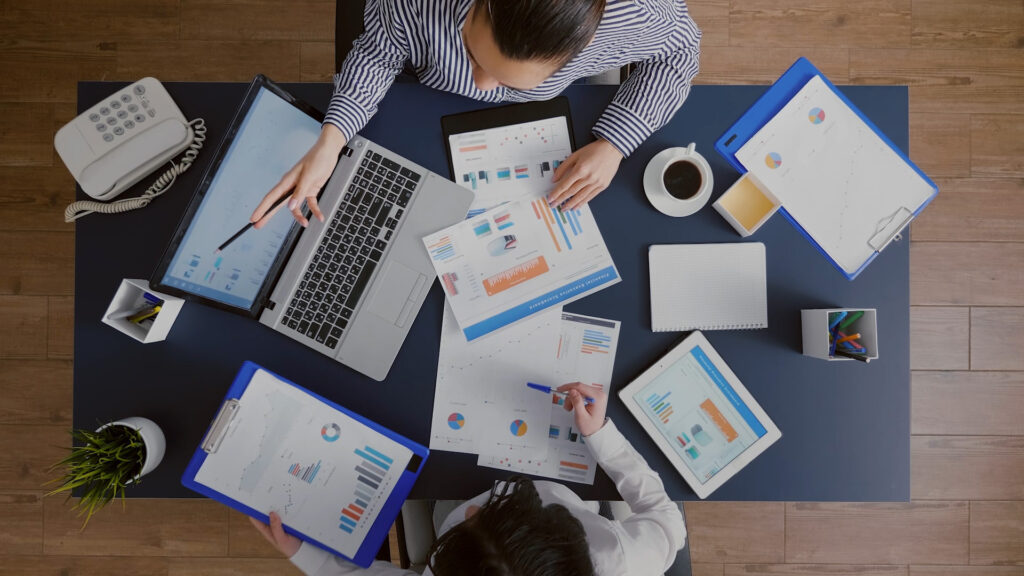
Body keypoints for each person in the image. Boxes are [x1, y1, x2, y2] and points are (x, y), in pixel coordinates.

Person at [250, 0, 701, 229]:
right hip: (421, 107)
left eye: (509, 81)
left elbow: (681, 53)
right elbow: (378, 51)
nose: (481, 88)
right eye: (473, 53)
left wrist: (616, 142)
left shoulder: (637, 15)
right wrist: (331, 139)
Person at [251, 382, 687, 575]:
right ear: (570, 539)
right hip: (555, 467)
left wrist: (305, 555)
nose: (474, 508)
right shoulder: (625, 561)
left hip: (448, 485)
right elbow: (665, 516)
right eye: (502, 514)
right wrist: (602, 437)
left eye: (473, 522)